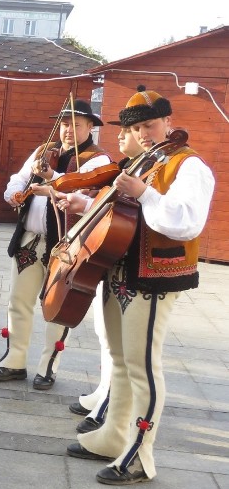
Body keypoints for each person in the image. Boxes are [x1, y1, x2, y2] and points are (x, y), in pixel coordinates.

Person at [63, 87, 214, 484]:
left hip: (154, 277)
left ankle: (140, 456)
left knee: (143, 365)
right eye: (137, 128)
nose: (144, 133)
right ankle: (114, 435)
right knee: (119, 360)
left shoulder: (187, 165)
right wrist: (87, 206)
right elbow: (124, 213)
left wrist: (144, 191)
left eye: (150, 125)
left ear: (167, 121)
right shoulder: (147, 159)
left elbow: (184, 221)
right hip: (119, 270)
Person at [0, 99, 112, 390]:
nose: (68, 130)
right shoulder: (44, 150)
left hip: (66, 245)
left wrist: (50, 180)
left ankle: (48, 366)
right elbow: (19, 178)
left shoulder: (98, 160)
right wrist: (15, 192)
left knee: (57, 307)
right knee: (19, 301)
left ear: (90, 127)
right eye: (65, 124)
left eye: (76, 125)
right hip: (30, 240)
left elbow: (74, 186)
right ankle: (15, 359)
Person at [69, 124, 145, 433]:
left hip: (136, 267)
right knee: (106, 335)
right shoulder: (127, 166)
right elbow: (113, 208)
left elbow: (133, 213)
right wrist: (85, 205)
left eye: (130, 130)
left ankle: (112, 411)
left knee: (128, 352)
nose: (121, 135)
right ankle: (104, 393)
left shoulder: (147, 170)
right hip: (112, 260)